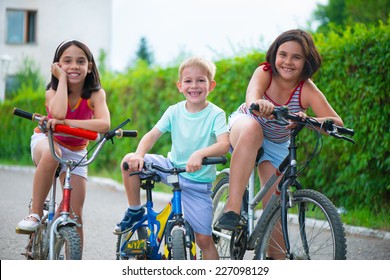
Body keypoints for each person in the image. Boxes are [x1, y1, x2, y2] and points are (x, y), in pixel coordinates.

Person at [216, 29, 344, 243]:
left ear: (306, 62)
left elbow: (336, 122)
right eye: (283, 54)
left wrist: (306, 120)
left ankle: (275, 259)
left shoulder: (307, 88)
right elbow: (251, 98)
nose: (288, 62)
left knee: (274, 209)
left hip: (277, 142)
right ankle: (232, 208)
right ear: (275, 55)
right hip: (246, 126)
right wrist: (260, 104)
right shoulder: (265, 72)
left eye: (296, 57)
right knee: (252, 130)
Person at [114, 56, 230, 260]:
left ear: (211, 85)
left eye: (200, 80)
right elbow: (151, 135)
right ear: (179, 86)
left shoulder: (216, 114)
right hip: (171, 168)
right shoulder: (174, 111)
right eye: (188, 81)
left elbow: (223, 144)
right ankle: (134, 211)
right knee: (128, 161)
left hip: (198, 183)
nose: (194, 86)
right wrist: (140, 154)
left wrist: (200, 153)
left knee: (204, 240)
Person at [16, 40, 111, 250]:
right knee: (52, 154)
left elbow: (104, 124)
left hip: (77, 151)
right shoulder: (52, 91)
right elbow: (57, 113)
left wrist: (67, 123)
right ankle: (35, 212)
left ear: (90, 67)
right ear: (57, 66)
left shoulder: (96, 94)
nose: (74, 66)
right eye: (67, 61)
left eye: (81, 61)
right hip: (48, 140)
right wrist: (62, 82)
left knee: (75, 215)